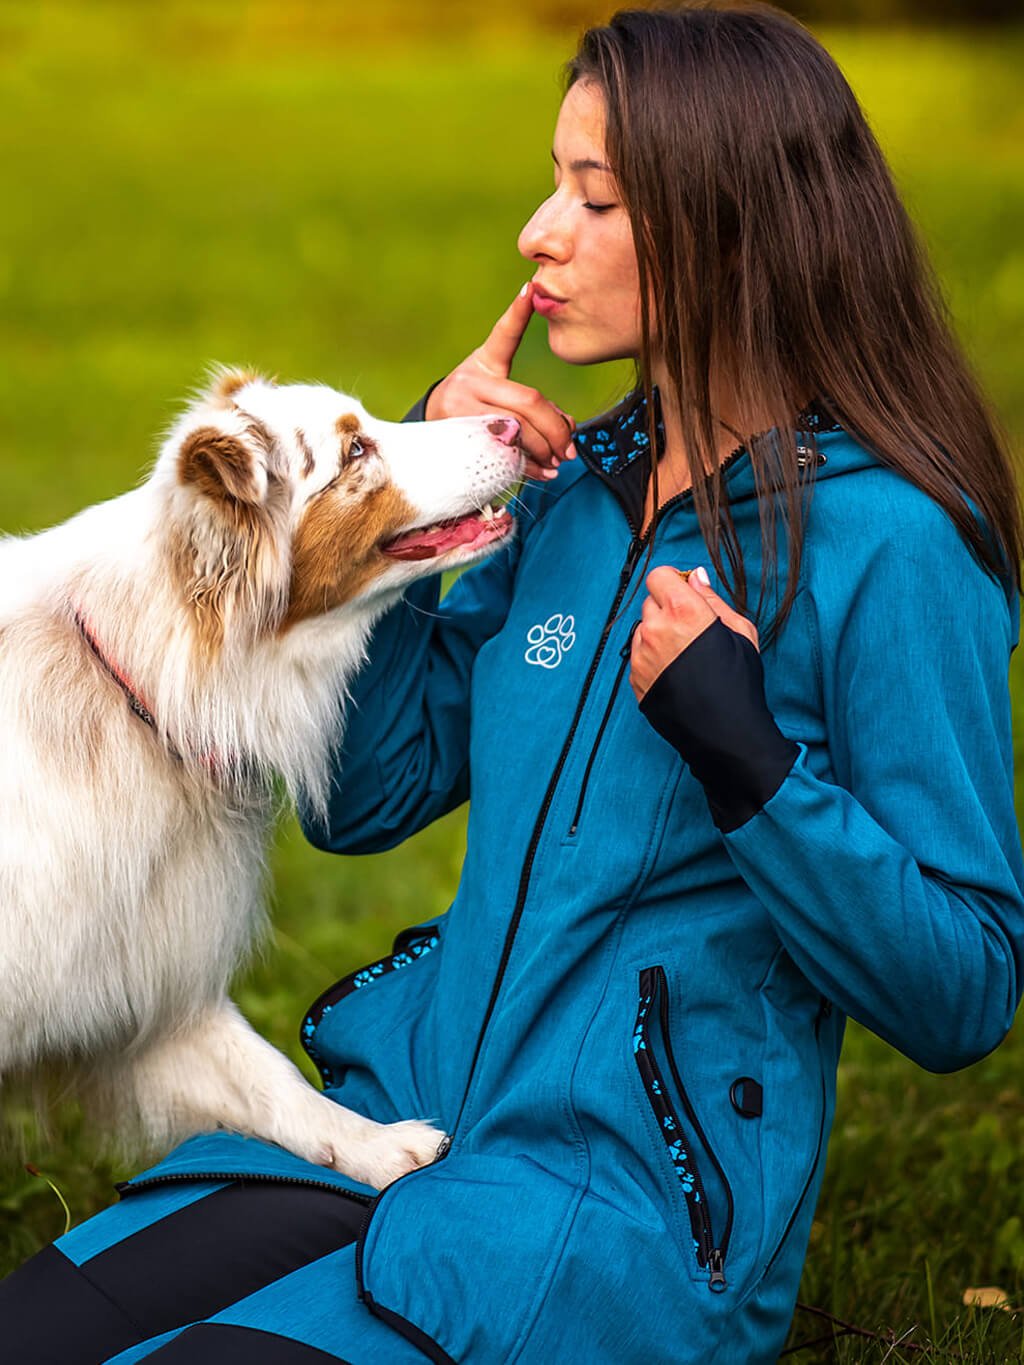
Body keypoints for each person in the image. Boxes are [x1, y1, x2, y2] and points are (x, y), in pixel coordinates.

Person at [4, 4, 1023, 1361]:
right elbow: (364, 800)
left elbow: (965, 985)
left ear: (728, 227)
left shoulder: (894, 545)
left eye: (593, 200)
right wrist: (404, 532)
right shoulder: (576, 492)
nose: (541, 232)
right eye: (555, 183)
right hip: (404, 1117)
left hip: (612, 1213)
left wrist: (752, 765)